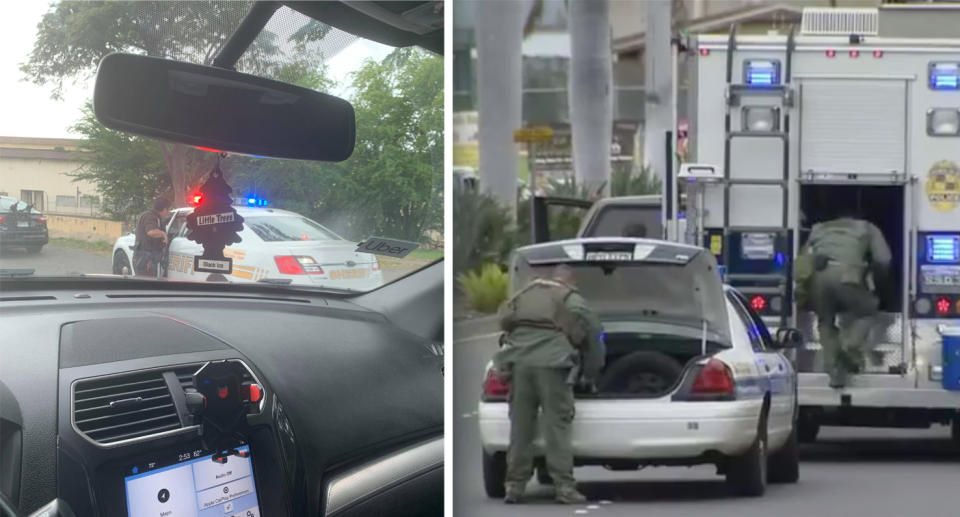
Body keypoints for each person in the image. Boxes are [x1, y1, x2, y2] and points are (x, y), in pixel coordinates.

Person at [494, 264, 604, 505]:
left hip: (519, 365)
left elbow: (504, 321)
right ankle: (564, 488)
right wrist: (592, 370)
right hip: (553, 366)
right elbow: (594, 332)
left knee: (521, 426)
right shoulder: (571, 299)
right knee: (557, 427)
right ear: (571, 281)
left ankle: (514, 486)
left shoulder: (525, 293)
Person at [803, 205, 891, 388]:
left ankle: (833, 366)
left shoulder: (818, 228)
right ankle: (849, 346)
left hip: (818, 279)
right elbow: (884, 259)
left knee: (825, 321)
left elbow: (804, 258)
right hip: (848, 277)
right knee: (868, 311)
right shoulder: (867, 227)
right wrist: (878, 280)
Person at [133, 197, 172, 277]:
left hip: (142, 257)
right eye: (168, 210)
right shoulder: (151, 217)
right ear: (164, 209)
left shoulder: (147, 214)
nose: (167, 213)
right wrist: (163, 234)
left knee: (144, 283)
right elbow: (151, 232)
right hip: (146, 259)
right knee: (148, 284)